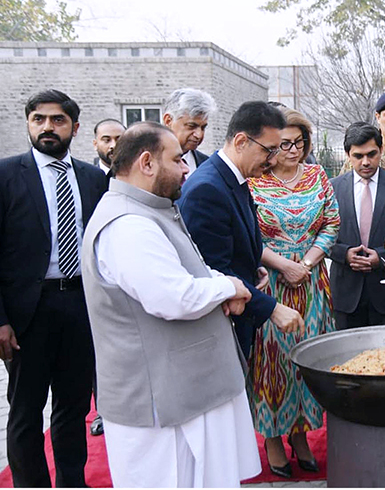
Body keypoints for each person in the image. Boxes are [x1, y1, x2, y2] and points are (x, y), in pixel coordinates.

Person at [81, 122, 261, 487]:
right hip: (162, 406)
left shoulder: (149, 209)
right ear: (147, 163)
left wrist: (222, 287)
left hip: (186, 394)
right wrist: (228, 287)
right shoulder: (128, 224)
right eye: (177, 160)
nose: (185, 169)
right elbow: (173, 297)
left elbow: (188, 269)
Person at [0, 89, 106, 487]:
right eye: (39, 119)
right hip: (27, 313)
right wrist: (0, 320)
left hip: (81, 305)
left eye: (57, 120)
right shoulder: (6, 175)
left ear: (74, 128)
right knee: (26, 412)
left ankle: (72, 482)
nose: (48, 127)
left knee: (73, 408)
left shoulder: (94, 179)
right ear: (28, 123)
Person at [246, 107, 339, 478]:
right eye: (284, 144)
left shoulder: (317, 175)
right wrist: (284, 265)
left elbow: (332, 223)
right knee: (273, 364)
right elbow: (247, 234)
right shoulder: (255, 180)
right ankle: (272, 437)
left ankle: (300, 435)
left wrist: (309, 261)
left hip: (312, 282)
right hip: (269, 281)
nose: (293, 150)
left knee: (306, 359)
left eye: (299, 142)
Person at [177, 101, 304, 359]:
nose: (273, 160)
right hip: (219, 327)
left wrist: (252, 265)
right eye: (269, 150)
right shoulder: (207, 190)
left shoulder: (235, 178)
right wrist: (272, 309)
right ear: (241, 141)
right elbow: (211, 270)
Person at [330, 122, 385, 329]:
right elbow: (320, 233)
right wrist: (344, 254)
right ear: (348, 155)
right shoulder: (332, 188)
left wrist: (383, 257)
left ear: (381, 150)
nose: (365, 162)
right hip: (346, 293)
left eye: (371, 154)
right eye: (358, 156)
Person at [89, 117, 125, 437]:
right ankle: (102, 409)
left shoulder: (133, 176)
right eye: (106, 139)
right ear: (95, 143)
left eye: (118, 139)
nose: (113, 146)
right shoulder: (87, 178)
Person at [162, 88, 216, 177]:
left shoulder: (208, 166)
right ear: (168, 121)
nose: (199, 135)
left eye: (203, 128)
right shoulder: (148, 162)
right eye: (191, 126)